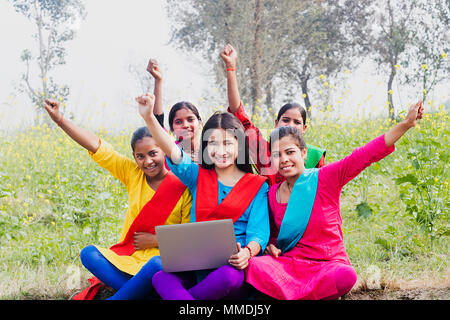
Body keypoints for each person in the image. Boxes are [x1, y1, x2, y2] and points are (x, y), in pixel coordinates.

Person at [244, 101, 424, 300]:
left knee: (345, 276)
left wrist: (406, 124)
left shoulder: (326, 178)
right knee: (255, 265)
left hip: (327, 264)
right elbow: (272, 235)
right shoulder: (272, 194)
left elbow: (365, 154)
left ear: (304, 153)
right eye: (277, 155)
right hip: (291, 265)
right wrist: (270, 246)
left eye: (290, 152)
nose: (284, 159)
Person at [42, 99, 192, 300]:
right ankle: (144, 294)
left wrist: (156, 240)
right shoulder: (132, 174)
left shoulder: (183, 183)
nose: (147, 161)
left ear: (165, 149)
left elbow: (188, 237)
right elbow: (98, 147)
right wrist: (60, 119)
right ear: (134, 156)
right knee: (89, 254)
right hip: (130, 260)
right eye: (140, 156)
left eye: (153, 153)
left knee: (156, 265)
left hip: (163, 262)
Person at [135, 93, 270, 300]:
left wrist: (248, 253)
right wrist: (149, 118)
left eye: (228, 143)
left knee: (228, 276)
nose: (220, 150)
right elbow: (172, 150)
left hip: (232, 268)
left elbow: (258, 233)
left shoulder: (257, 185)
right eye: (213, 143)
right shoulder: (197, 175)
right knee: (161, 278)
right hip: (196, 267)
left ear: (239, 144)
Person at [220, 44, 326, 186]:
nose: (290, 125)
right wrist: (231, 68)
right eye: (286, 120)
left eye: (297, 122)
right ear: (276, 124)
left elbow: (323, 190)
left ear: (304, 128)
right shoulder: (263, 151)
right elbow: (237, 113)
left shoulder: (314, 156)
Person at [147, 59, 202, 163]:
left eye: (190, 119)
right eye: (178, 122)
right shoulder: (169, 150)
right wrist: (158, 80)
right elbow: (156, 121)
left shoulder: (211, 151)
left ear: (199, 123)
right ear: (172, 128)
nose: (185, 125)